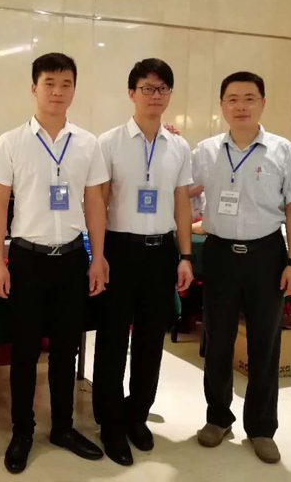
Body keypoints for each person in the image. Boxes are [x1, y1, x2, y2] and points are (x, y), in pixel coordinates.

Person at [0, 53, 109, 474]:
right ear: (34, 87)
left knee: (65, 350)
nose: (58, 92)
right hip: (27, 259)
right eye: (50, 83)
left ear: (74, 89)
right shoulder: (11, 142)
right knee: (24, 353)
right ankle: (22, 431)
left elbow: (95, 205)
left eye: (66, 84)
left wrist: (98, 258)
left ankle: (63, 428)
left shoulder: (88, 143)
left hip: (72, 259)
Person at [191, 72, 291, 464]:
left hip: (266, 255)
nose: (240, 106)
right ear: (221, 105)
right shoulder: (204, 151)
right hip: (219, 254)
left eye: (249, 98)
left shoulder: (284, 151)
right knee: (217, 341)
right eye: (232, 99)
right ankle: (217, 418)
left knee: (265, 344)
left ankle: (261, 428)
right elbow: (182, 193)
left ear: (262, 102)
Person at [92, 58, 194, 466]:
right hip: (119, 249)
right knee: (113, 339)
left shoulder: (179, 146)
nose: (155, 95)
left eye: (162, 89)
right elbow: (98, 203)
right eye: (148, 88)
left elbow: (182, 204)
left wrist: (185, 255)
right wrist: (98, 255)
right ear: (131, 93)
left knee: (152, 341)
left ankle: (137, 414)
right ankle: (110, 423)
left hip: (161, 252)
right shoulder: (109, 142)